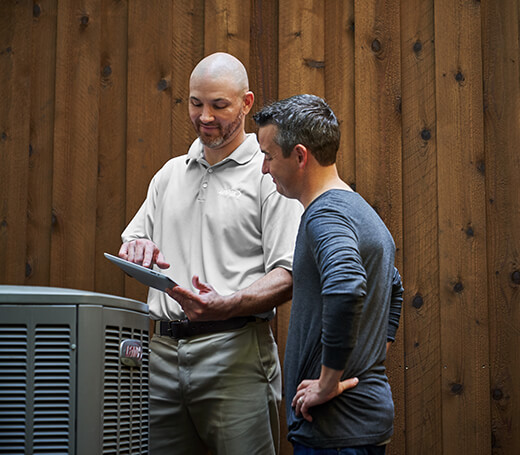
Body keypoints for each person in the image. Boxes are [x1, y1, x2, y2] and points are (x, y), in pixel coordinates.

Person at [118, 52, 302, 455]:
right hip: (160, 358)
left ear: (247, 103)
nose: (205, 116)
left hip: (235, 355)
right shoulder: (169, 174)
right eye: (196, 103)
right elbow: (131, 243)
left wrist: (228, 304)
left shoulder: (268, 174)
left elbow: (289, 272)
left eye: (219, 106)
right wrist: (138, 249)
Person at [253, 94, 404, 454]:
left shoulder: (326, 216)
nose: (264, 168)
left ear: (300, 156)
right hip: (360, 422)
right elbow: (394, 287)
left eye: (269, 156)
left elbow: (346, 284)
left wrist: (327, 381)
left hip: (336, 429)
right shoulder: (357, 209)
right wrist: (364, 358)